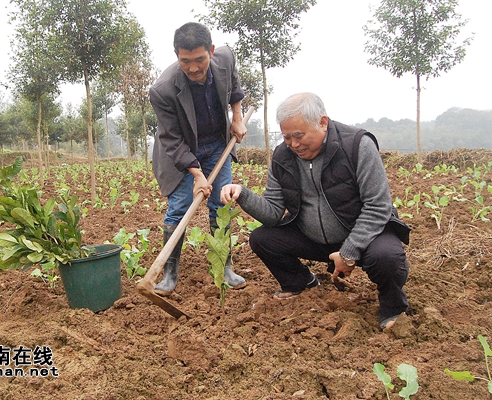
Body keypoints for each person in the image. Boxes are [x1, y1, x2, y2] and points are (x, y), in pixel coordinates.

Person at [220, 92, 411, 329]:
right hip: (314, 238)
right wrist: (242, 193)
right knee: (262, 239)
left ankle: (393, 307)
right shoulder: (282, 156)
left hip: (364, 238)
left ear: (322, 123)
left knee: (387, 257)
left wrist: (349, 252)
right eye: (287, 137)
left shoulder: (357, 145)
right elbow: (272, 212)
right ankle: (300, 282)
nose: (293, 144)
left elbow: (378, 205)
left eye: (298, 136)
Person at [149, 22, 248, 296]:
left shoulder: (225, 59)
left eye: (199, 60)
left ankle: (224, 267)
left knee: (222, 203)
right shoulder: (163, 89)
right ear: (176, 55)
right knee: (180, 207)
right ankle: (170, 273)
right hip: (181, 150)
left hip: (217, 144)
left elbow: (234, 86)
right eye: (185, 61)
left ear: (212, 52)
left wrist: (237, 118)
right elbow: (170, 137)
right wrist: (197, 174)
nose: (192, 68)